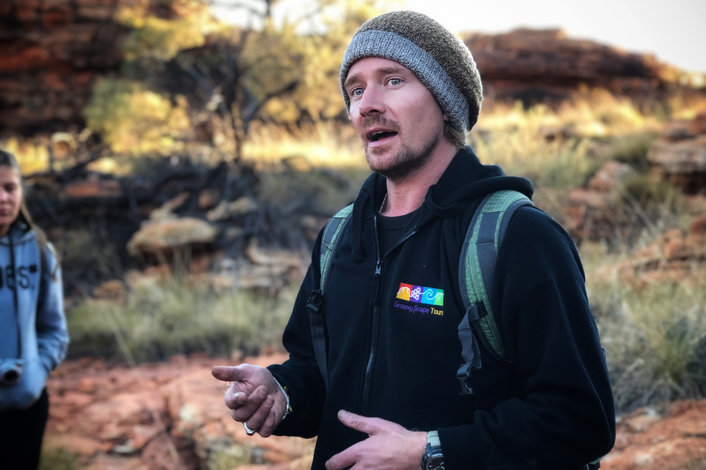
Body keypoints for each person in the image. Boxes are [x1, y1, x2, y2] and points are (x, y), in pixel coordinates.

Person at [213, 10, 615, 470]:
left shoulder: (518, 237)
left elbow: (581, 419)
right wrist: (282, 393)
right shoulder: (339, 237)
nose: (367, 105)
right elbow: (322, 374)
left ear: (445, 102)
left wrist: (430, 452)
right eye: (356, 90)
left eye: (393, 81)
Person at [0, 149, 70, 470]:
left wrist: (35, 373)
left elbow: (54, 329)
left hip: (26, 408)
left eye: (10, 188)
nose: (3, 198)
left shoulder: (41, 251)